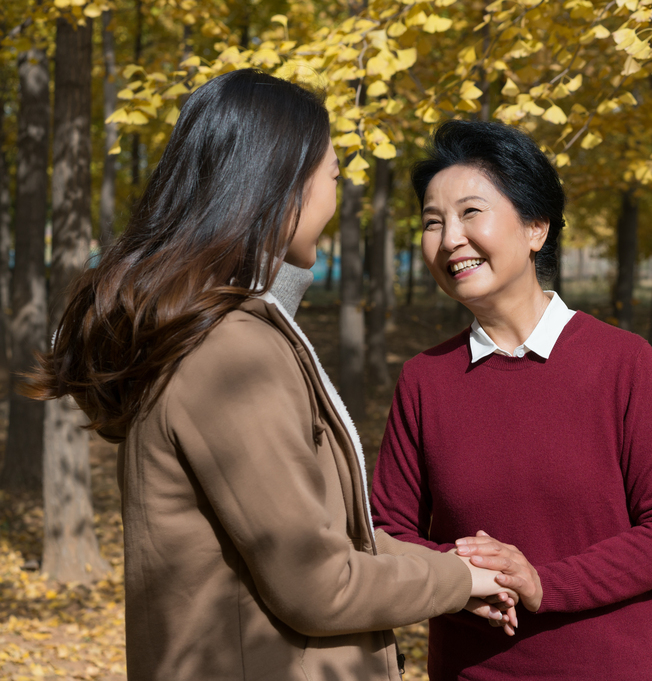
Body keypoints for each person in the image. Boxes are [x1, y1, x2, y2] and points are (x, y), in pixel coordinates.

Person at [22, 70, 516, 681]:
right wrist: (457, 578)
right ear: (281, 183)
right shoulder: (231, 351)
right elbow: (318, 582)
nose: (337, 196)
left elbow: (331, 538)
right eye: (332, 177)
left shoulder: (214, 331)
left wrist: (461, 574)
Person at [371, 119, 652, 681]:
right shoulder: (424, 379)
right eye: (433, 222)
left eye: (470, 212)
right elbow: (388, 531)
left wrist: (542, 582)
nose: (450, 238)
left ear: (536, 228)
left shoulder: (621, 362)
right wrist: (458, 580)